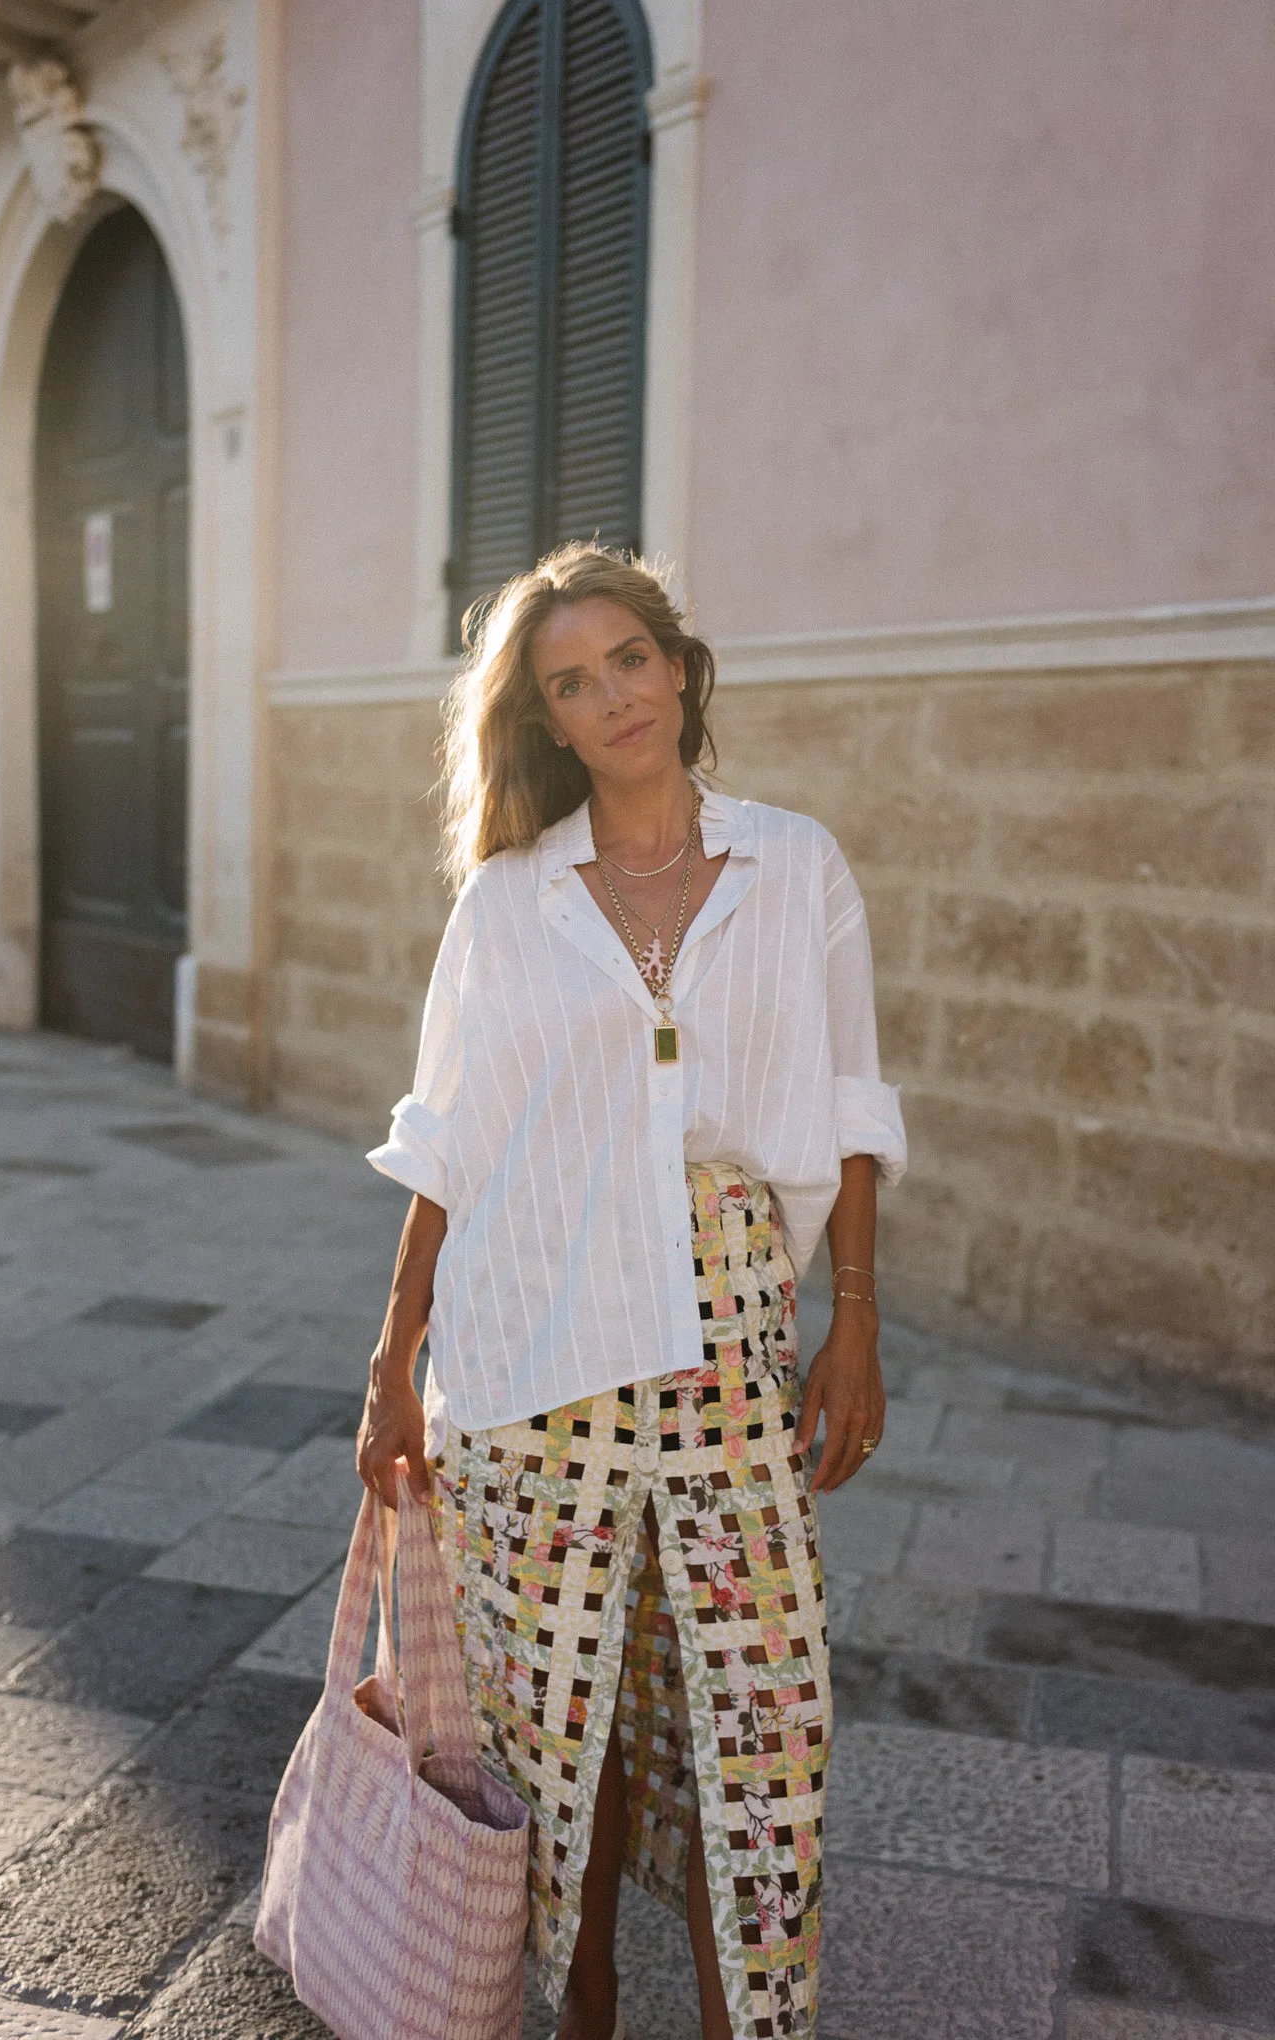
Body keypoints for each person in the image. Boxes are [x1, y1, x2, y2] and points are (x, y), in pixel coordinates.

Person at [357, 544, 906, 2040]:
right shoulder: (507, 905)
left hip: (732, 1339)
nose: (612, 697)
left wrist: (853, 1323)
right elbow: (450, 1140)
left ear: (679, 666)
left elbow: (851, 1106)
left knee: (767, 1732)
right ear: (544, 722)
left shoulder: (795, 867)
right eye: (570, 683)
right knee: (561, 1733)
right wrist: (392, 1362)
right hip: (534, 1358)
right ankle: (583, 1993)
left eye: (629, 661)